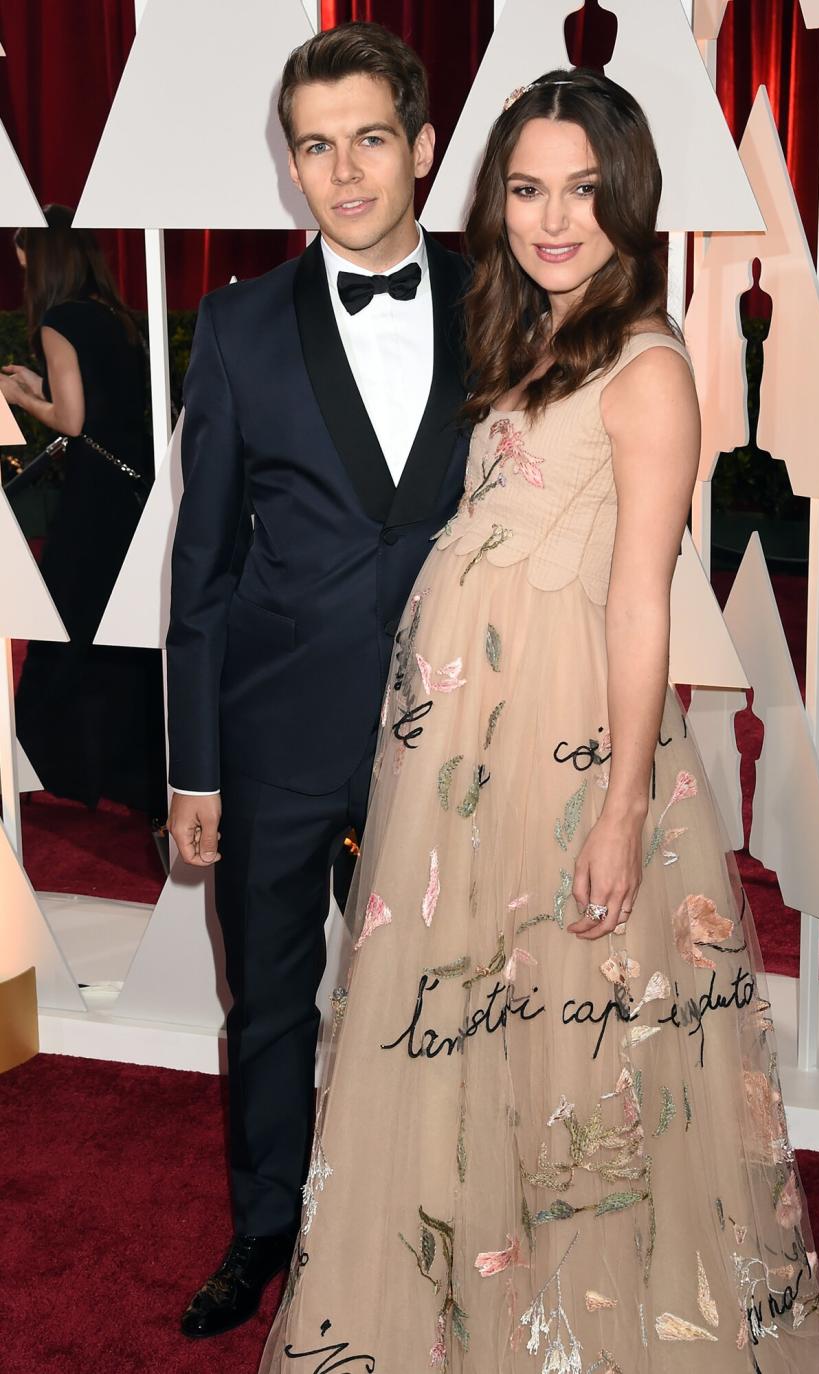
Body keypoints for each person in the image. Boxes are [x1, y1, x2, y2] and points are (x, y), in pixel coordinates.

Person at [260, 69, 819, 1374]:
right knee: (477, 1015)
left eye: (581, 189)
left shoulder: (649, 365)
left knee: (578, 1032)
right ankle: (478, 1300)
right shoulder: (527, 332)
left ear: (627, 199)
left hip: (564, 749)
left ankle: (577, 1319)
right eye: (526, 188)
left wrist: (620, 806)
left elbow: (636, 605)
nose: (552, 216)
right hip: (466, 753)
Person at [164, 23, 471, 1339]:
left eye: (369, 139)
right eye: (315, 145)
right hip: (276, 732)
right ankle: (265, 1224)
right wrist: (193, 762)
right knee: (272, 998)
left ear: (423, 147)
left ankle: (448, 1220)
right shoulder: (235, 328)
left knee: (450, 995)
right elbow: (202, 562)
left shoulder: (505, 298)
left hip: (461, 731)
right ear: (289, 165)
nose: (343, 172)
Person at [1, 205, 166, 820]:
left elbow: (72, 423)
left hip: (95, 498)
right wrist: (43, 389)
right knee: (120, 637)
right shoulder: (113, 316)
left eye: (24, 264)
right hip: (134, 495)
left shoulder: (58, 320)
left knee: (66, 626)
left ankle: (48, 763)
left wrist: (21, 397)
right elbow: (100, 407)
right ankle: (131, 772)